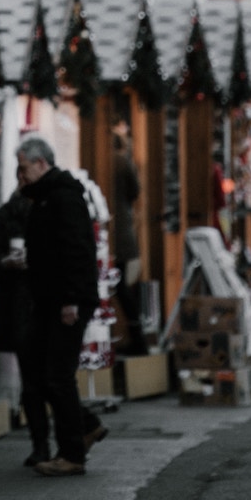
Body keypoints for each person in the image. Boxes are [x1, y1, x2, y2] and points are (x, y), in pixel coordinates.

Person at [16, 135, 104, 477]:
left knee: (57, 375)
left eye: (24, 168)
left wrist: (71, 299)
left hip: (66, 301)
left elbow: (76, 249)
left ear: (41, 163)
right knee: (43, 372)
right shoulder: (46, 197)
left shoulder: (63, 198)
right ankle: (86, 426)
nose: (20, 175)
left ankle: (73, 453)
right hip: (52, 299)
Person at [0, 172, 47, 465]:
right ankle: (41, 443)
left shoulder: (49, 211)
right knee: (34, 379)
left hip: (42, 303)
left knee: (48, 377)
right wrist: (6, 262)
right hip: (21, 306)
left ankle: (58, 439)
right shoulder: (7, 215)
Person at [112, 117, 147, 355]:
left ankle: (130, 338)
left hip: (113, 233)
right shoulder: (122, 161)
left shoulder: (106, 161)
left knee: (118, 287)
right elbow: (135, 191)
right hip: (122, 231)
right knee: (122, 287)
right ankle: (137, 338)